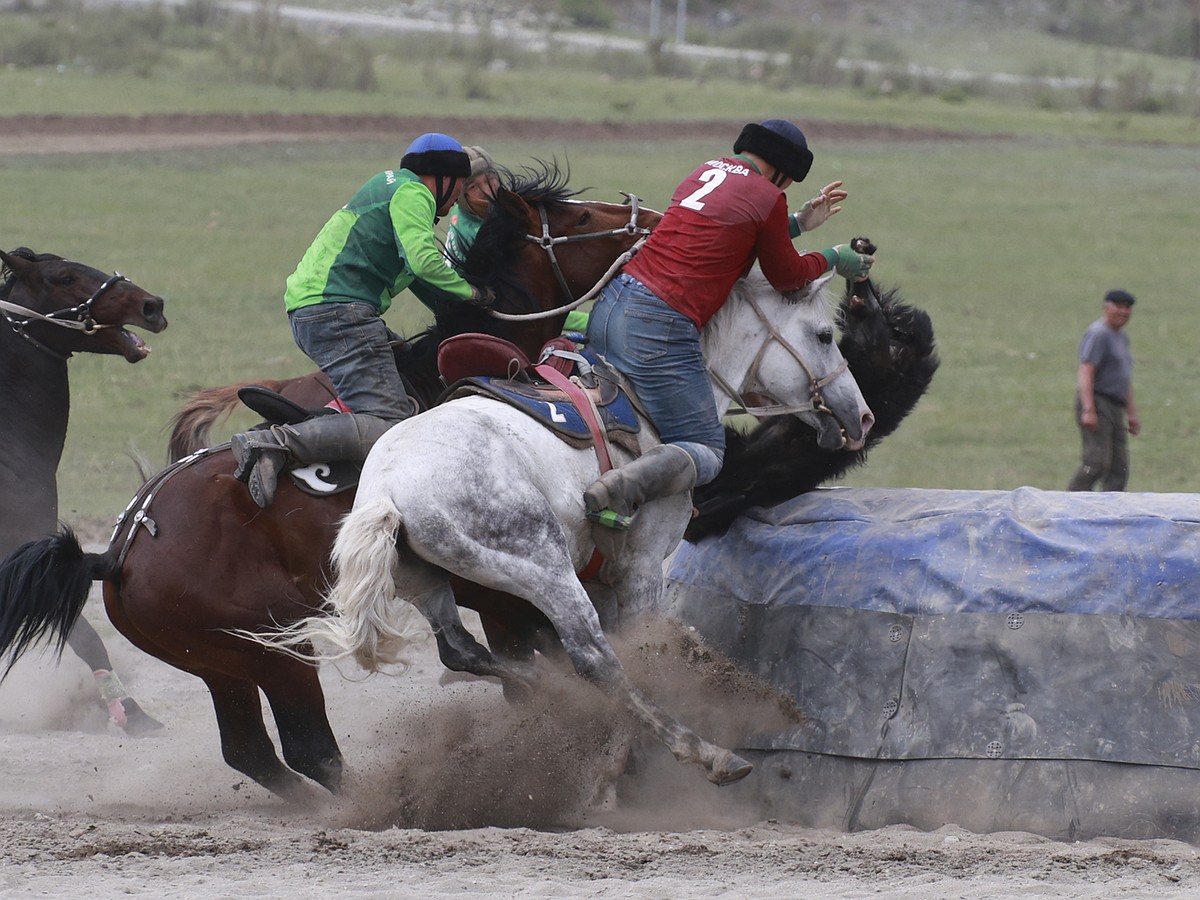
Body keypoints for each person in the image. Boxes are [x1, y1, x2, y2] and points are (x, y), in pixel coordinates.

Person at [582, 118, 874, 525]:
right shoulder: (767, 196)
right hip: (660, 325)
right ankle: (618, 490)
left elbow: (727, 237)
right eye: (786, 185)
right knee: (705, 449)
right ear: (782, 172)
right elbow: (788, 277)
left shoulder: (705, 171)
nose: (783, 192)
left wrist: (800, 225)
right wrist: (834, 257)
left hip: (613, 305)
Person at [232, 132, 492, 508]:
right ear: (443, 178)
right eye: (459, 187)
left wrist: (458, 310)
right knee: (390, 423)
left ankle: (320, 426)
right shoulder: (414, 194)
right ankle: (274, 443)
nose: (456, 200)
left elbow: (416, 275)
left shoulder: (392, 187)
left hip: (323, 309)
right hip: (338, 313)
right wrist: (474, 294)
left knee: (411, 379)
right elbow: (423, 261)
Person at [1067, 288, 1140, 491]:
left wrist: (1131, 414)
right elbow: (1086, 370)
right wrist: (1088, 409)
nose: (1123, 312)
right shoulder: (1098, 334)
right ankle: (1070, 504)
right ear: (1106, 308)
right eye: (1118, 306)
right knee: (1096, 462)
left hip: (1116, 406)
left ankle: (1110, 514)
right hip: (1098, 401)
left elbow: (1124, 378)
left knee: (1120, 467)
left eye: (1127, 308)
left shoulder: (1122, 338)